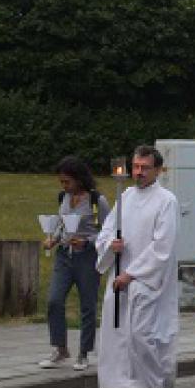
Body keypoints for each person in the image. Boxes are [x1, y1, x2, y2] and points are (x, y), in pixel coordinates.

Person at [95, 145, 179, 388]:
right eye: (136, 167)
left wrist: (132, 274)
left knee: (142, 335)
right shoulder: (126, 196)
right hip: (121, 275)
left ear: (158, 170)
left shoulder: (166, 200)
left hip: (147, 279)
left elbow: (162, 246)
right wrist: (111, 245)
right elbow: (106, 232)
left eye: (145, 168)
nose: (138, 172)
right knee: (123, 336)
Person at [39, 156, 111, 371]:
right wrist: (52, 238)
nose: (64, 186)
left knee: (87, 305)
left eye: (67, 182)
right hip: (64, 256)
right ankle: (61, 349)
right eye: (61, 182)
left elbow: (107, 232)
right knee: (54, 300)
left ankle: (83, 352)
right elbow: (62, 225)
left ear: (79, 179)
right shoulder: (63, 197)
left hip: (87, 258)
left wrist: (87, 241)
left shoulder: (98, 201)